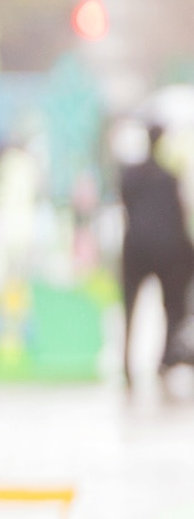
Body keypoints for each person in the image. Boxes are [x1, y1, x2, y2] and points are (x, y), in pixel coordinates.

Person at [116, 122, 190, 392]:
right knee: (171, 306)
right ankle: (164, 358)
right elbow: (179, 216)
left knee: (130, 307)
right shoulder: (169, 178)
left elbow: (125, 204)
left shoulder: (130, 175)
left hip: (135, 245)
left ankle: (128, 361)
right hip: (166, 250)